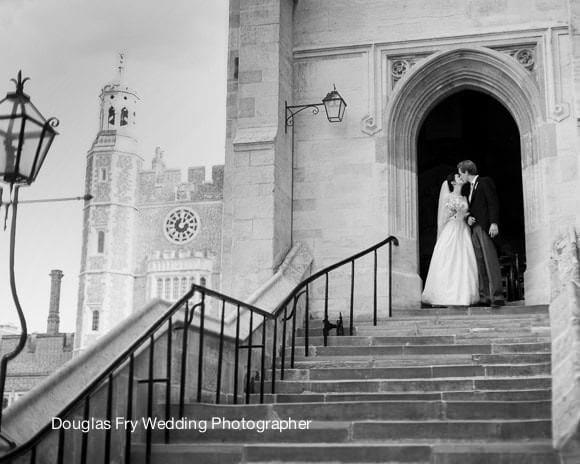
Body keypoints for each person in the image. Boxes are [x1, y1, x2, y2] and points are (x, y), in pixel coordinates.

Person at [422, 172, 479, 306]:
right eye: (458, 177)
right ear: (453, 183)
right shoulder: (448, 196)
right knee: (449, 261)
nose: (460, 178)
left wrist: (467, 218)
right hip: (451, 230)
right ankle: (447, 295)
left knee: (464, 262)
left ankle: (463, 295)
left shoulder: (465, 197)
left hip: (464, 231)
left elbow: (467, 213)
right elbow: (443, 217)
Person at [457, 160, 505, 307]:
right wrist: (469, 217)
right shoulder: (469, 188)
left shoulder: (484, 182)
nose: (460, 177)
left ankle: (497, 296)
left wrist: (494, 223)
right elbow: (475, 207)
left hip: (485, 227)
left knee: (490, 261)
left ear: (466, 172)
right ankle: (484, 297)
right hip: (475, 228)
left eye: (460, 173)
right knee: (479, 262)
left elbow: (493, 202)